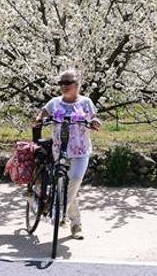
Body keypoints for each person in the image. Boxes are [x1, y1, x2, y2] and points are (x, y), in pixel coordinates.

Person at [34, 69, 101, 239]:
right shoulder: (54, 103)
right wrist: (38, 120)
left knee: (75, 179)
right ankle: (76, 224)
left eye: (67, 82)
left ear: (77, 84)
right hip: (60, 150)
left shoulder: (86, 102)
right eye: (61, 83)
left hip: (80, 150)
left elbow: (94, 119)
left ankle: (59, 212)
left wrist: (95, 123)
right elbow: (41, 114)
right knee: (63, 185)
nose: (63, 86)